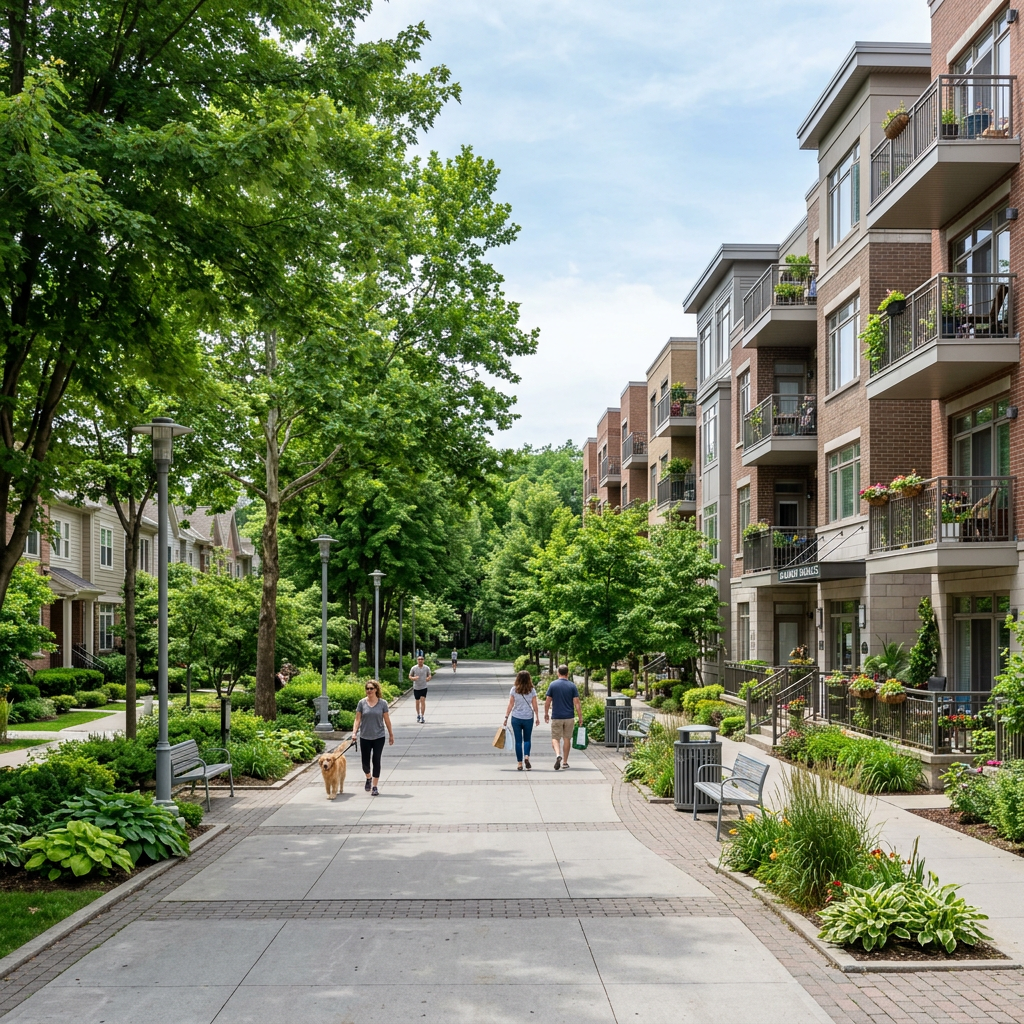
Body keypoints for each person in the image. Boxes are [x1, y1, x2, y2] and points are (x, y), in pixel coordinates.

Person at [352, 680, 394, 796]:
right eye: (367, 689)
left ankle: (375, 786)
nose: (369, 691)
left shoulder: (382, 703)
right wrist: (354, 733)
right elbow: (357, 719)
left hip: (379, 737)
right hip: (365, 736)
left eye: (371, 688)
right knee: (365, 762)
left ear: (376, 689)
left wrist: (391, 734)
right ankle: (368, 777)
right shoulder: (362, 703)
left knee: (376, 760)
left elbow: (387, 720)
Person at [544, 664, 582, 771]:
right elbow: (577, 703)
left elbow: (547, 701)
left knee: (555, 738)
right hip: (569, 717)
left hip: (557, 716)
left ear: (558, 673)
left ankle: (557, 755)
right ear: (567, 673)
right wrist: (580, 717)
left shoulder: (553, 685)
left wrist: (546, 713)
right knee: (567, 739)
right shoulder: (572, 686)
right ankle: (565, 762)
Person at [503, 670, 539, 771]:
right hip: (528, 718)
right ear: (529, 679)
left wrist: (506, 717)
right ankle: (526, 756)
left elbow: (511, 704)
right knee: (527, 739)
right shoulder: (531, 690)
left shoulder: (514, 689)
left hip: (516, 718)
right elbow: (535, 705)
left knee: (518, 741)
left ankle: (519, 763)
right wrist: (537, 716)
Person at [409, 655, 432, 723]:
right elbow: (410, 676)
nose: (420, 660)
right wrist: (413, 678)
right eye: (419, 659)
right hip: (416, 687)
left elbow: (429, 675)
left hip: (424, 686)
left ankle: (422, 716)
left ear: (423, 660)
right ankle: (418, 714)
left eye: (422, 659)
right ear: (417, 660)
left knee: (423, 701)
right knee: (417, 702)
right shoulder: (414, 668)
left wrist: (428, 678)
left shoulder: (426, 668)